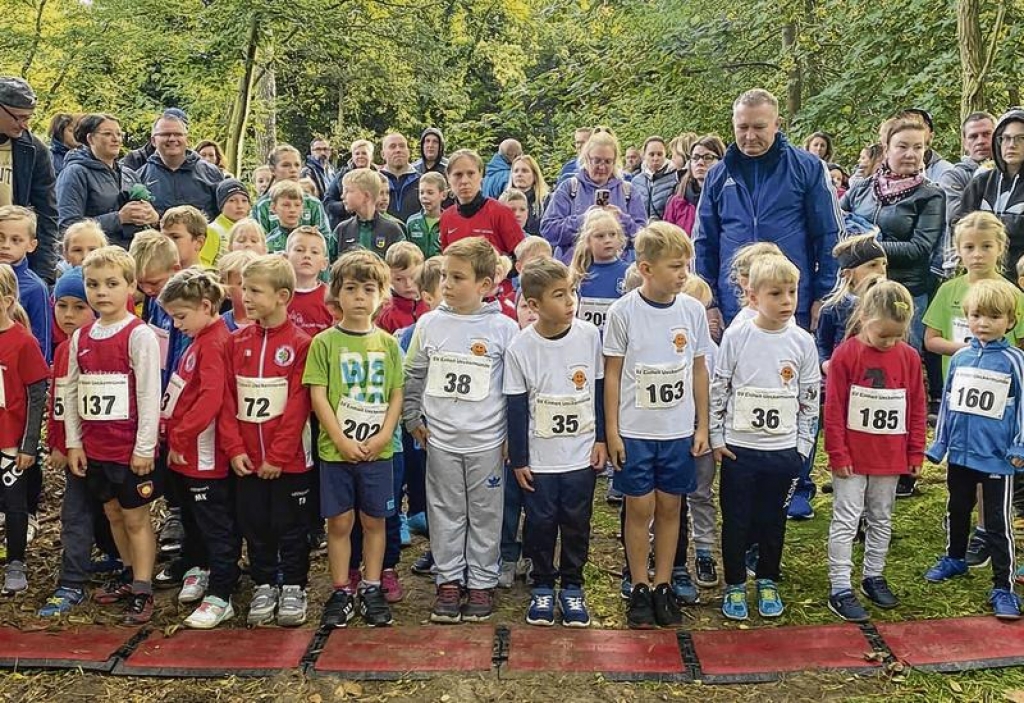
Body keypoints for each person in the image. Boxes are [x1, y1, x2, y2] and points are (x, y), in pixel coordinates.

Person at [402, 237, 519, 623]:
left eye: (457, 277)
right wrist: (412, 417)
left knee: (485, 513)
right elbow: (414, 372)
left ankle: (482, 581)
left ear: (485, 286)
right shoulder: (429, 323)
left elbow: (515, 386)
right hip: (442, 441)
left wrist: (510, 437)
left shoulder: (504, 328)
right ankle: (449, 580)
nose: (447, 284)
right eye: (445, 277)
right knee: (445, 510)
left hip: (487, 441)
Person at [604, 222, 711, 629]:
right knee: (639, 508)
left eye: (686, 265)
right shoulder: (623, 312)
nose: (683, 274)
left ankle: (663, 583)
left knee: (671, 507)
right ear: (646, 269)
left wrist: (701, 426)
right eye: (674, 267)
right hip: (635, 431)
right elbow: (612, 373)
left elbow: (699, 370)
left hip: (677, 431)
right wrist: (612, 431)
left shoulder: (692, 310)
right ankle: (638, 585)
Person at [711, 255, 820, 622]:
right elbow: (720, 386)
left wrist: (802, 447)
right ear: (752, 296)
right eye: (776, 293)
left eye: (792, 292)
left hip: (782, 451)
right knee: (737, 519)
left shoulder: (803, 341)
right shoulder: (737, 336)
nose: (787, 301)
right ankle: (735, 583)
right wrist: (716, 436)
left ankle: (769, 578)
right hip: (740, 449)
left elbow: (809, 397)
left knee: (773, 519)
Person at [64, 246, 162, 625]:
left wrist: (144, 446)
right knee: (112, 513)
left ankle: (143, 585)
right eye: (93, 285)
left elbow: (149, 393)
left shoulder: (140, 336)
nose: (101, 292)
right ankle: (127, 570)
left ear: (130, 287)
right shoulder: (82, 336)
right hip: (96, 447)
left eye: (111, 284)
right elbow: (71, 391)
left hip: (128, 448)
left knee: (136, 517)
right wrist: (74, 441)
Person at [505, 257, 605, 627]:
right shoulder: (520, 348)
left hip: (580, 454)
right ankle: (543, 583)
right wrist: (519, 458)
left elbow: (597, 388)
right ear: (533, 305)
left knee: (577, 521)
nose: (570, 302)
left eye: (572, 293)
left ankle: (573, 586)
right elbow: (516, 406)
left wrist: (601, 439)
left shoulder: (588, 335)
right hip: (541, 458)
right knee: (541, 522)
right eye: (559, 295)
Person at [306, 250, 404, 628]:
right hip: (337, 453)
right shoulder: (325, 343)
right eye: (350, 288)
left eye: (368, 289)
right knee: (340, 523)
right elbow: (318, 396)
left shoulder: (389, 344)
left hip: (379, 453)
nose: (360, 297)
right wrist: (340, 440)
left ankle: (372, 584)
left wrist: (382, 437)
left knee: (375, 520)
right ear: (336, 295)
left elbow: (396, 394)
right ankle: (340, 589)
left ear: (382, 296)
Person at [696, 88, 843, 328]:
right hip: (734, 303)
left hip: (791, 302)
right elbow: (703, 242)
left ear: (777, 124)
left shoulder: (808, 168)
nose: (750, 136)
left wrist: (823, 296)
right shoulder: (717, 176)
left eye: (759, 127)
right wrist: (708, 302)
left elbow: (830, 235)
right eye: (743, 128)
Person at [823, 281, 925, 622]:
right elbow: (834, 408)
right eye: (882, 335)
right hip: (852, 459)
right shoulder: (846, 354)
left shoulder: (908, 358)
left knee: (881, 517)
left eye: (896, 336)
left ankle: (873, 575)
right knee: (846, 519)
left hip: (889, 457)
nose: (889, 342)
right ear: (864, 317)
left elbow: (917, 407)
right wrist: (837, 454)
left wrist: (916, 452)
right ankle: (840, 585)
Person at [925, 278, 1024, 621]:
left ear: (1010, 321)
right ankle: (954, 557)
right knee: (957, 506)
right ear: (967, 317)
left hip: (998, 457)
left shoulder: (1015, 361)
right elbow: (949, 403)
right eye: (977, 316)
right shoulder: (962, 356)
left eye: (994, 317)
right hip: (961, 454)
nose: (984, 323)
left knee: (997, 523)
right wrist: (940, 442)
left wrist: (1020, 446)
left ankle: (1003, 585)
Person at [223, 254, 314, 627]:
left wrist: (279, 454)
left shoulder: (301, 343)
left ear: (282, 296)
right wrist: (235, 448)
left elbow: (298, 405)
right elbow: (227, 400)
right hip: (247, 459)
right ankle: (264, 582)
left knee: (290, 525)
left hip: (289, 463)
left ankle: (293, 584)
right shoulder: (235, 342)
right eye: (244, 289)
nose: (246, 297)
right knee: (255, 523)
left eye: (255, 290)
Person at [157, 268, 239, 629]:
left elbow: (211, 399)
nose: (176, 325)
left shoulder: (215, 342)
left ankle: (222, 594)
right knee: (192, 517)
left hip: (205, 455)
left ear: (206, 306)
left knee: (215, 524)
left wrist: (181, 436)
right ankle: (200, 568)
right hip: (187, 456)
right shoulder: (198, 341)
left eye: (181, 317)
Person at [841, 117, 946, 352]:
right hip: (861, 294)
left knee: (902, 365)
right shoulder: (861, 188)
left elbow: (919, 248)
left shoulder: (931, 195)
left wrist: (864, 247)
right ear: (886, 148)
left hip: (906, 293)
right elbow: (836, 226)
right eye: (903, 146)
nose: (911, 154)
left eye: (918, 147)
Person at [0, 263, 48, 595]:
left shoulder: (22, 342)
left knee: (15, 506)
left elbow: (36, 396)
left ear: (7, 299)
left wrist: (29, 446)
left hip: (10, 444)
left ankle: (16, 564)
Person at [541, 131, 647, 264]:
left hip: (618, 273)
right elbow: (548, 230)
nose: (602, 167)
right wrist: (585, 219)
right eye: (597, 160)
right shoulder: (569, 188)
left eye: (608, 161)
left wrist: (621, 219)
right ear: (586, 158)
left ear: (615, 162)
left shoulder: (628, 191)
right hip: (574, 271)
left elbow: (642, 239)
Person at [57, 114, 157, 250]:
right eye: (108, 134)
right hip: (96, 259)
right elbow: (68, 226)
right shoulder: (75, 173)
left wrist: (152, 216)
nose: (116, 139)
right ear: (90, 138)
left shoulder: (130, 174)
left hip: (132, 257)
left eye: (119, 134)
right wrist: (119, 218)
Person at [0, 77, 58, 284]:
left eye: (29, 118)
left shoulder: (34, 151)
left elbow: (47, 214)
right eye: (18, 117)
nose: (24, 125)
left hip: (13, 260)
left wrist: (44, 274)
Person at [953, 108, 1024, 275]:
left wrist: (983, 226)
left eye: (1020, 138)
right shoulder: (982, 182)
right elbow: (959, 223)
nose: (1012, 144)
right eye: (1006, 138)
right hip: (979, 275)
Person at [817, 235, 889, 368]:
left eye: (884, 264)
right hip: (844, 376)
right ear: (848, 274)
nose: (881, 271)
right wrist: (825, 364)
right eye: (872, 265)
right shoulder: (833, 308)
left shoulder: (890, 303)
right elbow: (822, 345)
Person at [134, 112, 224, 219]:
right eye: (165, 134)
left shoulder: (211, 173)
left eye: (178, 134)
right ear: (153, 141)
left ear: (187, 139)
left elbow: (225, 216)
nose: (172, 139)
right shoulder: (139, 178)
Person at [937, 112, 996, 273]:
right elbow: (958, 219)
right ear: (964, 142)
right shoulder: (953, 176)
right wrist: (981, 177)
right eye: (973, 136)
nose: (981, 141)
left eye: (986, 134)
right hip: (964, 263)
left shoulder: (1012, 173)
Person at [439, 150, 524, 259]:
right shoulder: (446, 217)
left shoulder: (500, 213)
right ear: (448, 178)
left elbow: (522, 257)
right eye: (458, 175)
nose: (464, 180)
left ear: (480, 175)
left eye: (471, 173)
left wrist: (502, 268)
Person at [0, 205, 52, 361]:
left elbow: (42, 342)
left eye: (16, 240)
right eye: (0, 237)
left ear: (31, 245)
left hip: (16, 372)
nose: (6, 245)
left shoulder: (36, 288)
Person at [252, 145, 331, 239]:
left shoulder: (313, 204)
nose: (293, 169)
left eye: (297, 165)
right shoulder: (262, 206)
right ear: (273, 169)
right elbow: (258, 241)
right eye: (286, 165)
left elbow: (326, 240)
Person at [571, 209, 629, 335]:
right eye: (600, 236)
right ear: (587, 241)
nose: (607, 240)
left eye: (612, 234)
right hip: (586, 343)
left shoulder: (628, 273)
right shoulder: (578, 274)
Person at [663, 135, 725, 236]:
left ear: (721, 161)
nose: (700, 162)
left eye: (708, 157)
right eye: (695, 158)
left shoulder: (730, 198)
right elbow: (667, 239)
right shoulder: (677, 201)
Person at [336, 168, 406, 258]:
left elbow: (403, 265)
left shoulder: (393, 230)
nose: (342, 196)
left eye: (347, 191)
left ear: (366, 196)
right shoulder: (342, 230)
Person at [285, 226, 333, 339]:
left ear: (324, 264)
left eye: (314, 252)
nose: (307, 255)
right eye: (299, 250)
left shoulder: (331, 297)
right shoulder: (276, 294)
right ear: (286, 258)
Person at [376, 242, 428, 333]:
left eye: (413, 277)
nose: (408, 284)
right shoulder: (385, 313)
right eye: (399, 279)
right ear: (389, 278)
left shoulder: (434, 303)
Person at [325, 139, 376, 229]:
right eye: (357, 153)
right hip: (346, 226)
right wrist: (348, 206)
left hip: (374, 225)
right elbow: (327, 202)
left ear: (371, 156)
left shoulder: (379, 177)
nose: (360, 156)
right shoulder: (341, 176)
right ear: (352, 156)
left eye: (364, 153)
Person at [204, 179, 251, 267]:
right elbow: (204, 265)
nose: (240, 206)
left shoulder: (253, 229)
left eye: (244, 201)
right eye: (232, 200)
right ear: (221, 205)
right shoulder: (212, 231)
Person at [631, 136, 679, 221]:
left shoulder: (676, 178)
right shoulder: (636, 181)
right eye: (651, 154)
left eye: (659, 154)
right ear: (644, 155)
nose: (655, 158)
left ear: (665, 154)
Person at [379, 133, 421, 223]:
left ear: (408, 152)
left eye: (402, 146)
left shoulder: (422, 181)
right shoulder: (374, 182)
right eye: (392, 146)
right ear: (383, 154)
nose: (398, 150)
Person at [265, 181, 314, 255]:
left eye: (297, 205)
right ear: (273, 208)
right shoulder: (269, 242)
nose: (292, 210)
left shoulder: (312, 239)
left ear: (302, 207)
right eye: (286, 205)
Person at [406, 171, 445, 259]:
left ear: (443, 195)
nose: (424, 196)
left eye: (430, 193)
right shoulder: (412, 222)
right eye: (421, 192)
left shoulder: (450, 221)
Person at [508, 155, 549, 236]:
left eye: (525, 171)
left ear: (534, 175)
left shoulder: (546, 201)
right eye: (516, 171)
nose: (519, 174)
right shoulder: (503, 201)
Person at [217, 249, 258, 331]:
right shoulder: (219, 327)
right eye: (243, 285)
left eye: (257, 283)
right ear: (226, 288)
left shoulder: (271, 324)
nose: (252, 291)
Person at [161, 205, 207, 271]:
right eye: (163, 237)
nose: (166, 242)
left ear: (199, 242)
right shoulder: (155, 277)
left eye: (175, 237)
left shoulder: (208, 280)